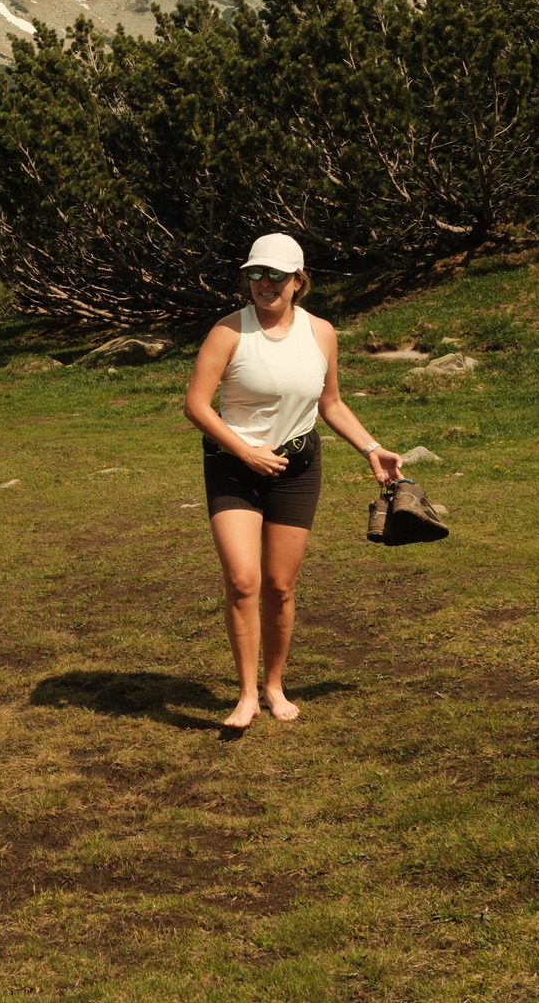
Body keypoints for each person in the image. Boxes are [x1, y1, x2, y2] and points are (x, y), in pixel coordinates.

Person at [184, 233, 403, 729]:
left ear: (299, 281)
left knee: (280, 586)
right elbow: (196, 405)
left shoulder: (321, 333)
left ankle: (274, 685)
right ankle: (245, 695)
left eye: (276, 275)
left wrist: (372, 450)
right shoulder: (228, 332)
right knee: (244, 581)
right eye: (255, 274)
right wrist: (245, 451)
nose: (264, 284)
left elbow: (330, 404)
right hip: (233, 464)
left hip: (297, 468)